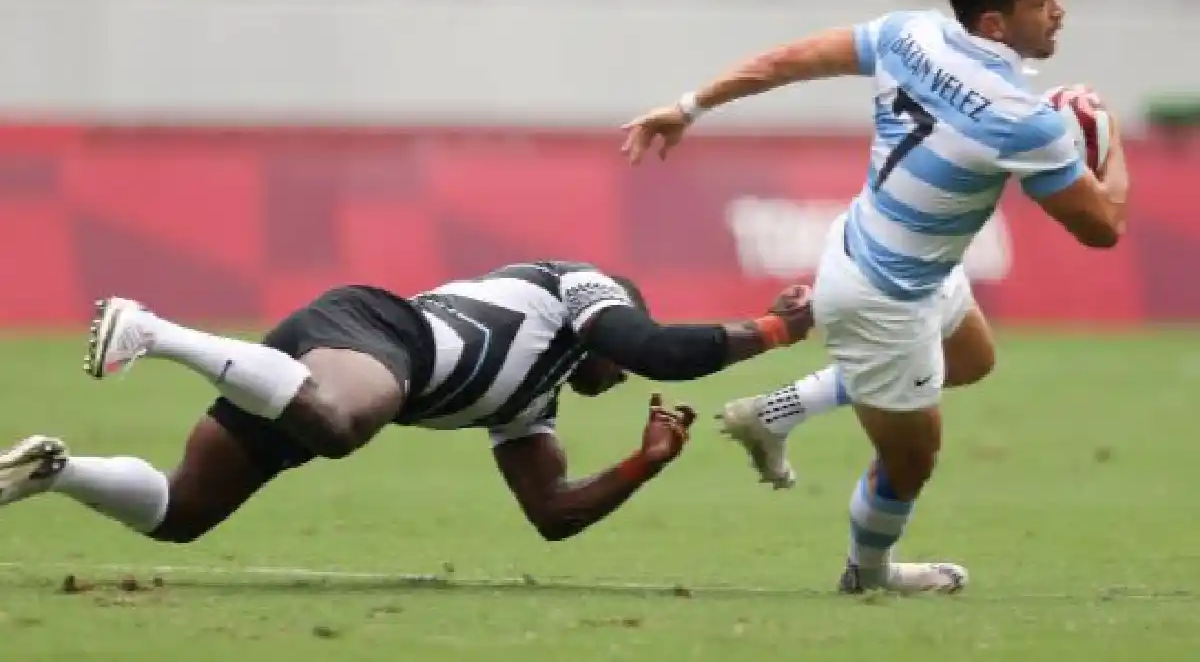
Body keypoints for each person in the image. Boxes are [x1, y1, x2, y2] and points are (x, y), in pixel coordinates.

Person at [620, 0, 1130, 594]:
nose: (1058, 12)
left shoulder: (910, 33)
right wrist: (1109, 139)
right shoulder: (1020, 120)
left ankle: (776, 412)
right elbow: (1102, 227)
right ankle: (868, 573)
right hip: (884, 299)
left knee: (973, 360)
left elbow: (793, 59)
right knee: (911, 461)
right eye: (1043, 1)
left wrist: (690, 105)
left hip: (881, 252)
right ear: (995, 23)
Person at [0, 261, 813, 544]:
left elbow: (552, 514)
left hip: (321, 361)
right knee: (341, 427)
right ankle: (155, 330)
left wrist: (643, 463)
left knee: (181, 512)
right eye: (620, 353)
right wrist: (775, 328)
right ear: (609, 321)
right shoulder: (578, 288)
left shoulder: (530, 405)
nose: (629, 374)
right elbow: (657, 347)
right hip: (378, 328)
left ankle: (54, 471)